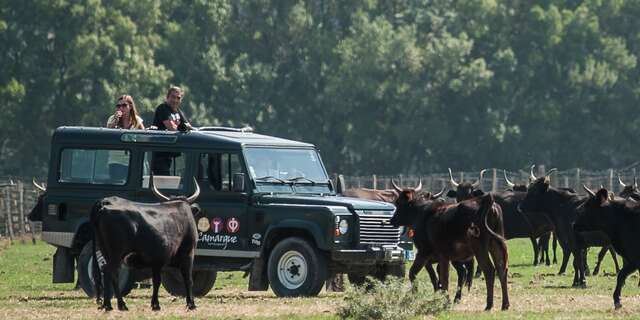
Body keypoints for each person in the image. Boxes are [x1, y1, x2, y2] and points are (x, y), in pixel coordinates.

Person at [151, 86, 193, 175]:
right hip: (160, 154)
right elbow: (171, 128)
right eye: (173, 97)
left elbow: (188, 127)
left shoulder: (178, 111)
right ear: (167, 97)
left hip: (172, 154)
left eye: (178, 98)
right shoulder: (162, 108)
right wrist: (182, 128)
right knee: (163, 182)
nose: (175, 100)